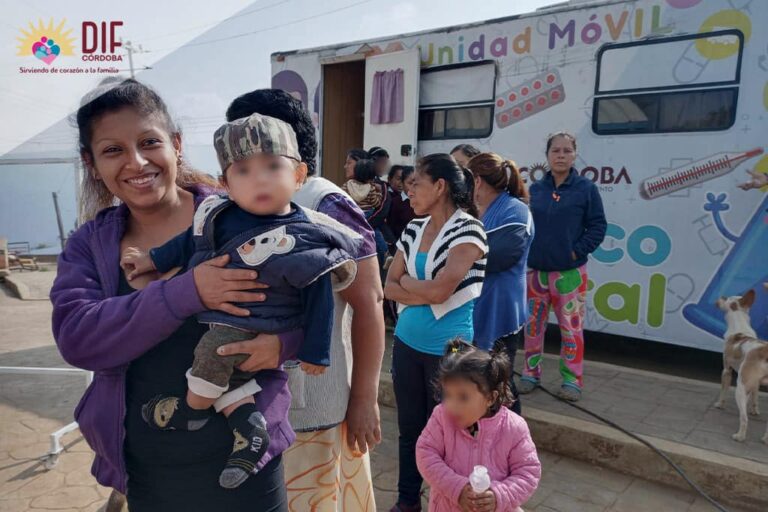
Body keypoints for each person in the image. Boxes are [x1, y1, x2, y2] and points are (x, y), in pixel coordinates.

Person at [51, 79, 294, 511]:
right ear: (91, 163)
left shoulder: (242, 216)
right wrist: (188, 291)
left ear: (176, 144)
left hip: (248, 461)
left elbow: (304, 300)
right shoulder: (89, 245)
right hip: (149, 471)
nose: (137, 161)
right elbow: (77, 337)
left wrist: (284, 344)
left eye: (149, 142)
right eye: (113, 150)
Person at [120, 113, 363, 489]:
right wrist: (151, 259)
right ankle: (249, 432)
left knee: (213, 354)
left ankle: (188, 411)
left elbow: (320, 299)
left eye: (272, 167)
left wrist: (316, 351)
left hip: (264, 323)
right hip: (225, 319)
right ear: (226, 184)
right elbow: (187, 245)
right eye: (244, 170)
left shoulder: (307, 238)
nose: (260, 178)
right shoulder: (218, 215)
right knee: (229, 380)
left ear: (298, 176)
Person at [223, 89, 385, 511]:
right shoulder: (249, 199)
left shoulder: (326, 202)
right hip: (258, 401)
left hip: (315, 406)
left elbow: (369, 302)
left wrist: (365, 397)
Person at [384, 154, 488, 512]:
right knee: (410, 429)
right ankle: (407, 500)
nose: (408, 191)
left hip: (449, 354)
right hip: (406, 344)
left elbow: (442, 291)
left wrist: (411, 286)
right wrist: (421, 289)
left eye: (416, 184)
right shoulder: (413, 229)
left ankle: (448, 503)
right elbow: (388, 286)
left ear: (440, 186)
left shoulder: (469, 230)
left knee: (450, 433)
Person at [521, 132, 607, 402]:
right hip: (536, 273)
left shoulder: (585, 189)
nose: (561, 155)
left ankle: (572, 380)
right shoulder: (535, 190)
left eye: (566, 151)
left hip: (570, 274)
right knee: (533, 327)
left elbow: (597, 226)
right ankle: (530, 374)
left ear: (574, 155)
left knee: (571, 330)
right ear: (547, 156)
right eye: (555, 150)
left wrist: (575, 251)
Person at [416, 339, 541, 512]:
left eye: (463, 397)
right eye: (448, 395)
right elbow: (425, 454)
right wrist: (457, 488)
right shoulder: (441, 417)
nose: (451, 405)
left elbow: (528, 472)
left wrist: (499, 496)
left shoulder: (514, 427)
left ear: (490, 398)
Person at [468, 153, 533, 415]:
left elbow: (504, 254)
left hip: (500, 309)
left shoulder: (515, 210)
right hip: (475, 307)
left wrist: (457, 257)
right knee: (476, 380)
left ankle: (513, 440)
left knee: (499, 383)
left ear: (477, 180)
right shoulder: (474, 210)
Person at [342, 157, 391, 269]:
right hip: (368, 215)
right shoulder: (371, 188)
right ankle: (386, 254)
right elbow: (376, 203)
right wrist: (379, 193)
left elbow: (342, 197)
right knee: (376, 233)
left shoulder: (347, 185)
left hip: (353, 214)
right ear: (371, 177)